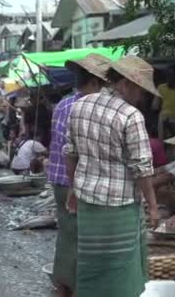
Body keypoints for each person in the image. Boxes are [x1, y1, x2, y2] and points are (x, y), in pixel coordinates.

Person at [64, 55, 159, 297]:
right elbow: (142, 167)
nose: (141, 96)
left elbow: (71, 152)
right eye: (140, 89)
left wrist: (73, 189)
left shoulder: (80, 105)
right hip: (120, 205)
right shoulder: (131, 116)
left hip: (88, 200)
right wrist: (153, 205)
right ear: (127, 83)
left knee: (91, 265)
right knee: (121, 269)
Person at [47, 53, 110, 297]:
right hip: (77, 181)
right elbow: (81, 150)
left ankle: (63, 285)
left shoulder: (64, 103)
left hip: (59, 179)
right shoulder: (89, 107)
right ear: (95, 83)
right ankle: (76, 288)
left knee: (67, 233)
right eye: (104, 84)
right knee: (84, 237)